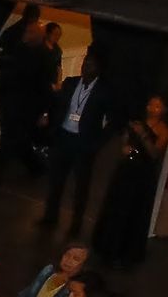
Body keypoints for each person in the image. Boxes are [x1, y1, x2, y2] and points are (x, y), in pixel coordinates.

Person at [42, 47, 120, 234]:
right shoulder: (70, 83)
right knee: (56, 180)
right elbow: (57, 104)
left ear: (99, 68)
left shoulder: (104, 91)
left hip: (83, 143)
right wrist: (49, 119)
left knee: (80, 186)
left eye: (91, 64)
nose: (86, 67)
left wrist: (97, 142)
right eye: (85, 62)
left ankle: (76, 224)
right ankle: (49, 218)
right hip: (63, 137)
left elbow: (114, 120)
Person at [93, 93, 168, 267]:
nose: (152, 109)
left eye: (157, 106)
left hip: (143, 175)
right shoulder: (136, 123)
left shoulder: (165, 130)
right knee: (116, 206)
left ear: (164, 110)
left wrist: (143, 135)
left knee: (133, 211)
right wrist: (125, 147)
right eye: (150, 104)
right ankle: (106, 247)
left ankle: (124, 252)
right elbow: (125, 142)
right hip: (126, 169)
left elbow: (154, 153)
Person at [0, 10, 53, 187]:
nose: (25, 35)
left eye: (29, 33)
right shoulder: (25, 48)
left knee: (9, 139)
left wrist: (44, 111)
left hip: (26, 105)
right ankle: (36, 167)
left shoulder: (42, 55)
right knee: (17, 139)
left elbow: (44, 85)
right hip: (11, 99)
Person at [18, 242, 90, 297]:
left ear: (83, 265)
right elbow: (27, 293)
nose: (68, 260)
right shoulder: (48, 270)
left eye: (76, 259)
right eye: (67, 255)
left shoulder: (77, 288)